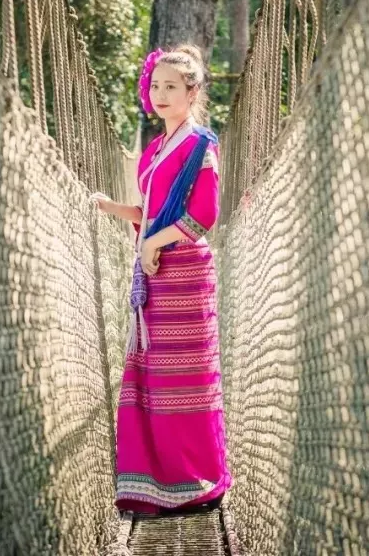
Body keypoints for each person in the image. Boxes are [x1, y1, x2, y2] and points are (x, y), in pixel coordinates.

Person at [91, 44, 232, 517]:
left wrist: (152, 245)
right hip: (154, 276)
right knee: (153, 379)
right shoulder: (153, 149)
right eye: (155, 85)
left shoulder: (201, 146)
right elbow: (149, 215)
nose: (160, 93)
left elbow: (202, 217)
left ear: (192, 93)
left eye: (172, 86)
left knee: (185, 379)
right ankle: (156, 481)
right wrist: (113, 209)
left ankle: (197, 483)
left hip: (185, 275)